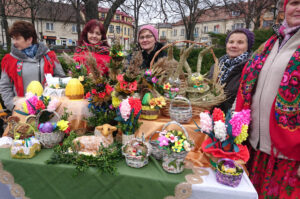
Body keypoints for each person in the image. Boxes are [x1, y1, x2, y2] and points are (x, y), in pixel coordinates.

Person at [235, 0, 300, 197]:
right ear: (284, 8)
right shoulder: (271, 43)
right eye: (294, 3)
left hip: (289, 157)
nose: (298, 8)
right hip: (256, 148)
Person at [0, 21, 65, 111]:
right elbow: (5, 86)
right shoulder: (9, 60)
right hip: (22, 110)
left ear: (29, 39)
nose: (14, 42)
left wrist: (54, 98)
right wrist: (13, 106)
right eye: (13, 39)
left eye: (18, 38)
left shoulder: (49, 56)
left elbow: (61, 78)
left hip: (48, 109)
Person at [208, 28, 255, 113]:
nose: (234, 45)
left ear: (248, 46)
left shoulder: (251, 68)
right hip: (211, 117)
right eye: (231, 42)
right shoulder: (217, 65)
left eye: (240, 42)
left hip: (234, 120)